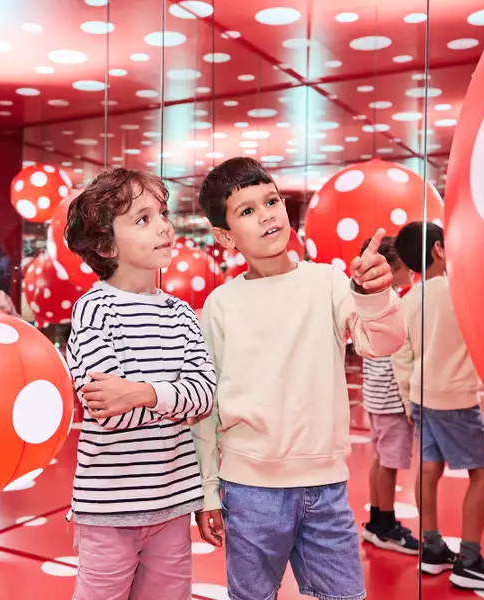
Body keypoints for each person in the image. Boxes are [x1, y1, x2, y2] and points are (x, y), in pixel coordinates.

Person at [192, 157, 404, 600]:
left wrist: (373, 292)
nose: (267, 213)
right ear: (225, 236)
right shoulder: (220, 304)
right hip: (248, 491)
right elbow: (205, 404)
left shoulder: (328, 281)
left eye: (271, 201)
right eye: (247, 210)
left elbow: (380, 343)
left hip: (326, 488)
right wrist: (208, 491)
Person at [64, 167, 216, 600]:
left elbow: (204, 395)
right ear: (108, 243)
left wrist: (143, 392)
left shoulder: (182, 313)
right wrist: (172, 397)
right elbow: (109, 413)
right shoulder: (93, 310)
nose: (164, 227)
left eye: (163, 214)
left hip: (172, 504)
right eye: (143, 219)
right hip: (109, 509)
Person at [392, 221, 484, 593]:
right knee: (483, 475)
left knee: (428, 469)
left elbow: (402, 356)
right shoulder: (461, 292)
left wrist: (407, 399)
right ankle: (470, 560)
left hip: (420, 395)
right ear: (438, 250)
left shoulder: (409, 298)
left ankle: (431, 547)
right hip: (455, 398)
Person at [356, 235, 419, 555]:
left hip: (376, 391)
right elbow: (401, 356)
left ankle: (379, 521)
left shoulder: (375, 300)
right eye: (407, 264)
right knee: (388, 460)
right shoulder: (393, 302)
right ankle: (385, 524)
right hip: (391, 393)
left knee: (381, 457)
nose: (412, 270)